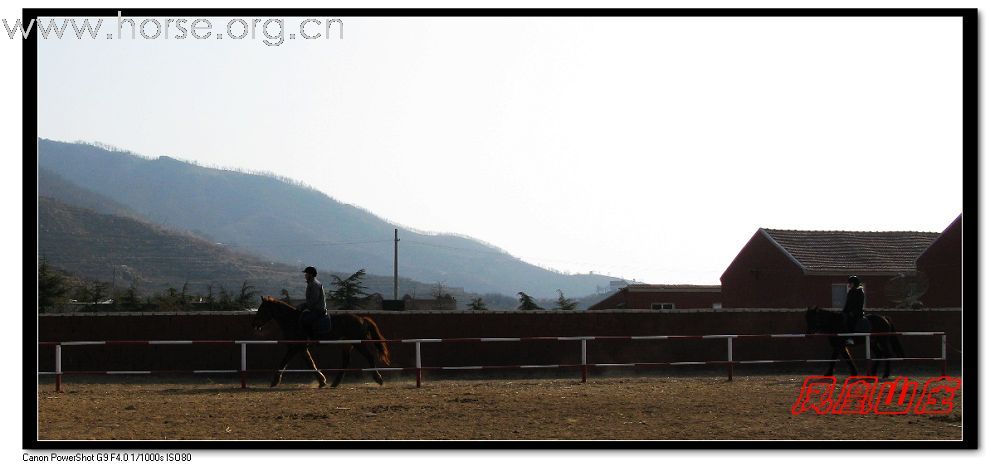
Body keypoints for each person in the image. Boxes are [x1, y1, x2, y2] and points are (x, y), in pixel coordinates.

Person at [297, 266, 328, 339]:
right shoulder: (311, 283)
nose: (305, 275)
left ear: (310, 274)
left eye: (306, 273)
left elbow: (314, 300)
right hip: (314, 308)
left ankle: (311, 338)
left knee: (305, 320)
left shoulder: (314, 284)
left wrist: (303, 305)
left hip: (318, 310)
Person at [842, 275, 865, 345]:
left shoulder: (860, 292)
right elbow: (848, 303)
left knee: (850, 322)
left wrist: (853, 312)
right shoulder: (850, 292)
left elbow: (859, 304)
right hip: (849, 312)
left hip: (857, 313)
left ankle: (851, 338)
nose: (849, 284)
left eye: (850, 283)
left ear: (854, 283)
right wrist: (843, 311)